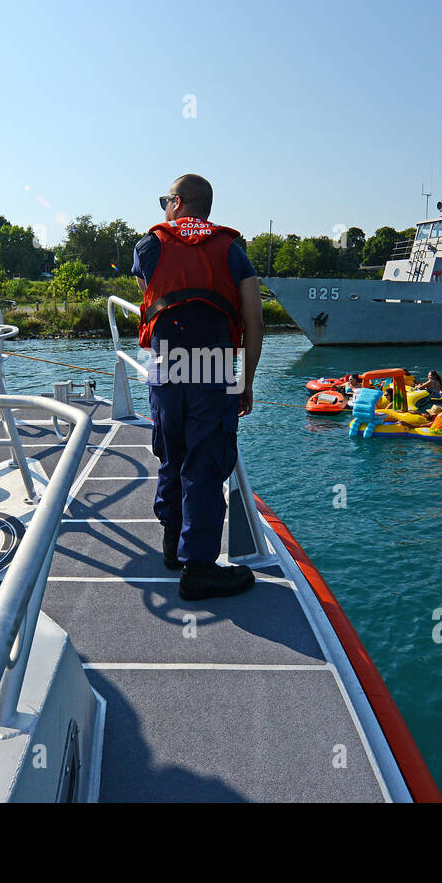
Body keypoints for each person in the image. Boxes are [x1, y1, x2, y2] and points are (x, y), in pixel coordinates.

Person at [133, 174, 264, 601]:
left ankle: (173, 546)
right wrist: (245, 380)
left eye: (164, 201)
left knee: (172, 450)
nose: (162, 208)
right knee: (206, 462)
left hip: (167, 366)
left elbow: (151, 295)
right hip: (216, 368)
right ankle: (200, 566)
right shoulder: (233, 250)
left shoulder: (148, 246)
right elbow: (253, 321)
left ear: (179, 202)